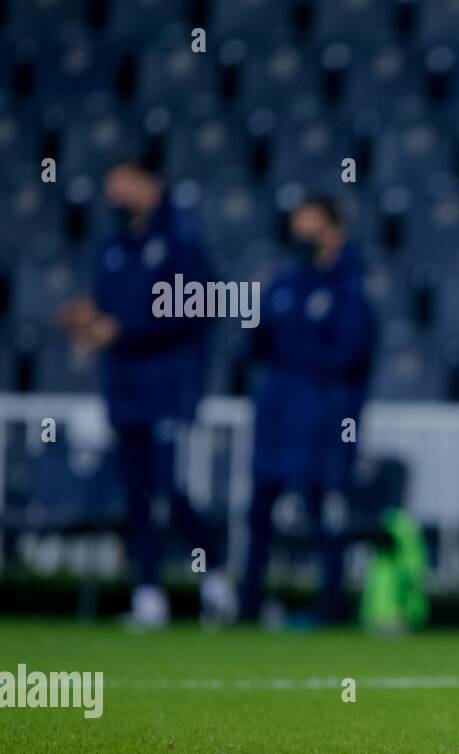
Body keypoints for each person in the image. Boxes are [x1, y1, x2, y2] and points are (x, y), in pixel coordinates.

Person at [60, 158, 236, 629]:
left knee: (168, 490)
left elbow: (196, 309)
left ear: (150, 186)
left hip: (169, 386)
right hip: (125, 387)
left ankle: (214, 576)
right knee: (136, 494)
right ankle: (148, 594)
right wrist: (88, 321)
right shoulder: (113, 248)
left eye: (124, 187)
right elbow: (106, 308)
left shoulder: (181, 243)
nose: (115, 198)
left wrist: (122, 328)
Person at [238, 196, 376, 626]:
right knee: (259, 509)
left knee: (325, 512)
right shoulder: (283, 282)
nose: (303, 239)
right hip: (278, 415)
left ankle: (330, 608)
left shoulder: (352, 289)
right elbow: (254, 345)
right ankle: (248, 606)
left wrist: (291, 347)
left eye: (312, 229)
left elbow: (347, 357)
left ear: (334, 231)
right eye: (298, 229)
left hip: (325, 419)